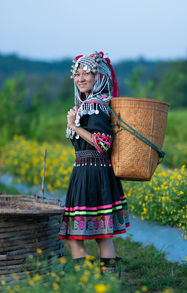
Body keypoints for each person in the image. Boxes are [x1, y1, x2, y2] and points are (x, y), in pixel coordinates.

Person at [58, 51, 130, 275]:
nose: (80, 78)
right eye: (77, 74)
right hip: (85, 173)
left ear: (98, 78)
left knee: (84, 235)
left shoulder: (95, 105)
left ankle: (94, 283)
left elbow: (104, 143)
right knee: (95, 235)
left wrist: (75, 126)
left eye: (86, 74)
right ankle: (101, 284)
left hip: (93, 173)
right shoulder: (87, 105)